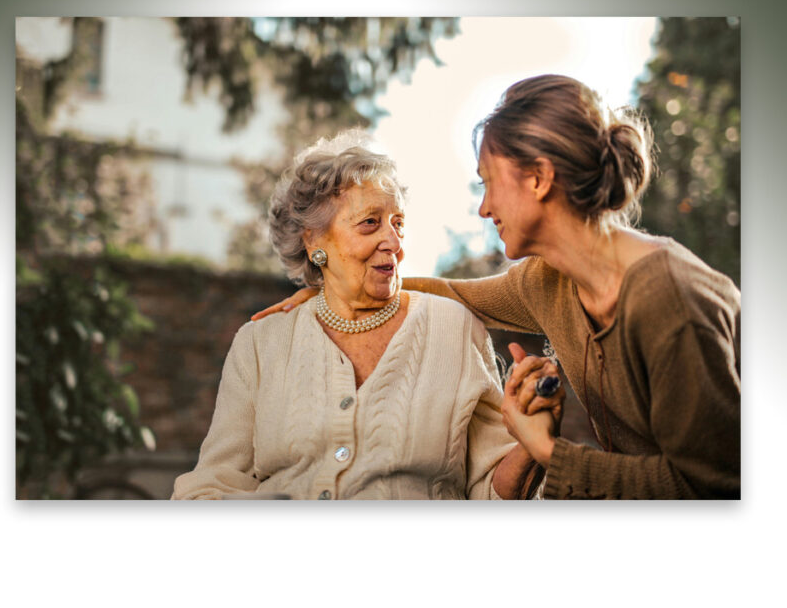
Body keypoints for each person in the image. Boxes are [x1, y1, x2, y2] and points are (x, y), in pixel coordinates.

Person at [254, 75, 741, 500]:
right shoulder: (549, 281)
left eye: (489, 182)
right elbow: (455, 293)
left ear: (539, 178)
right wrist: (338, 290)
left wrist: (547, 450)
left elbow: (716, 486)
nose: (484, 208)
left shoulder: (668, 299)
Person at [172, 130, 558, 500]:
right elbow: (215, 482)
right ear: (314, 241)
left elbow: (491, 494)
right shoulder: (260, 343)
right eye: (370, 223)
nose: (393, 243)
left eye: (399, 224)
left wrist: (530, 443)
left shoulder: (454, 329)